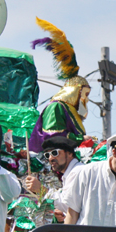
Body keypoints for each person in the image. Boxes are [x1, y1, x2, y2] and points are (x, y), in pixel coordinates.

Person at [28, 17, 93, 153]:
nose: (86, 100)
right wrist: (80, 139)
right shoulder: (56, 106)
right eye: (85, 94)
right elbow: (54, 137)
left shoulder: (67, 108)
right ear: (76, 91)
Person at [24, 136, 83, 222]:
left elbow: (69, 204)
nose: (51, 158)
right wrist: (63, 213)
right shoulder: (70, 173)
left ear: (70, 153)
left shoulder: (77, 172)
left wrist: (42, 190)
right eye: (47, 155)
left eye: (55, 153)